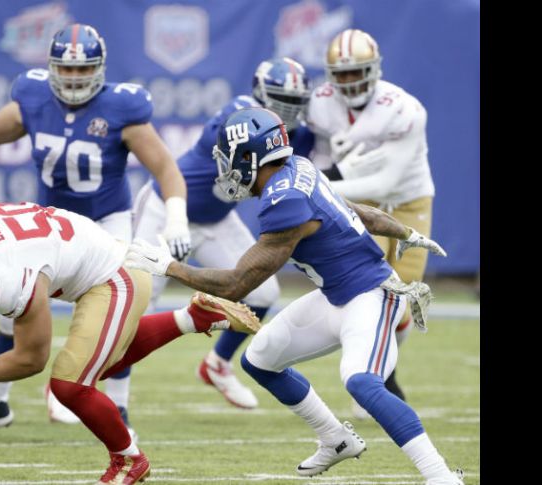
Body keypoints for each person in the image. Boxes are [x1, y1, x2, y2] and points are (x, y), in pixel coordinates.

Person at [124, 107, 463, 484]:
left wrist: (169, 267)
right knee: (260, 358)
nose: (227, 168)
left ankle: (441, 476)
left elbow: (238, 284)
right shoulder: (298, 166)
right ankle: (335, 438)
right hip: (337, 297)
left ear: (250, 158)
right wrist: (404, 233)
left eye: (231, 158)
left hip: (372, 297)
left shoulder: (286, 203)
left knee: (362, 381)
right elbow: (357, 212)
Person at [0, 23, 190, 438]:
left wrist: (175, 217)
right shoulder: (33, 97)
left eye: (85, 70)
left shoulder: (122, 107)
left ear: (100, 69)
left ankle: (118, 406)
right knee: (9, 305)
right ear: (50, 67)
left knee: (115, 314)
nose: (75, 78)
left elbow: (165, 167)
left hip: (106, 220)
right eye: (67, 69)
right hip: (52, 223)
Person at [0, 202, 260, 485]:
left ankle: (129, 461)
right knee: (102, 365)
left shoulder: (6, 275)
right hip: (105, 263)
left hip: (116, 277)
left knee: (69, 384)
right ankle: (193, 318)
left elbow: (31, 358)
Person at [133, 57, 314, 409]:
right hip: (169, 209)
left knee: (264, 292)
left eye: (295, 102)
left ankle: (217, 365)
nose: (287, 109)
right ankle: (95, 385)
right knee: (137, 306)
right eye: (280, 99)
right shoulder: (240, 116)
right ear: (260, 93)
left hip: (217, 219)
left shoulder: (296, 133)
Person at [306, 29, 437, 415]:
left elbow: (389, 181)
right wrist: (328, 177)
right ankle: (370, 373)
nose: (348, 81)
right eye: (341, 74)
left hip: (408, 198)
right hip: (360, 200)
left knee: (407, 297)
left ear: (374, 69)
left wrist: (323, 181)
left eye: (356, 72)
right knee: (374, 286)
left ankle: (386, 367)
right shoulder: (322, 104)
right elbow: (324, 154)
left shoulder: (404, 109)